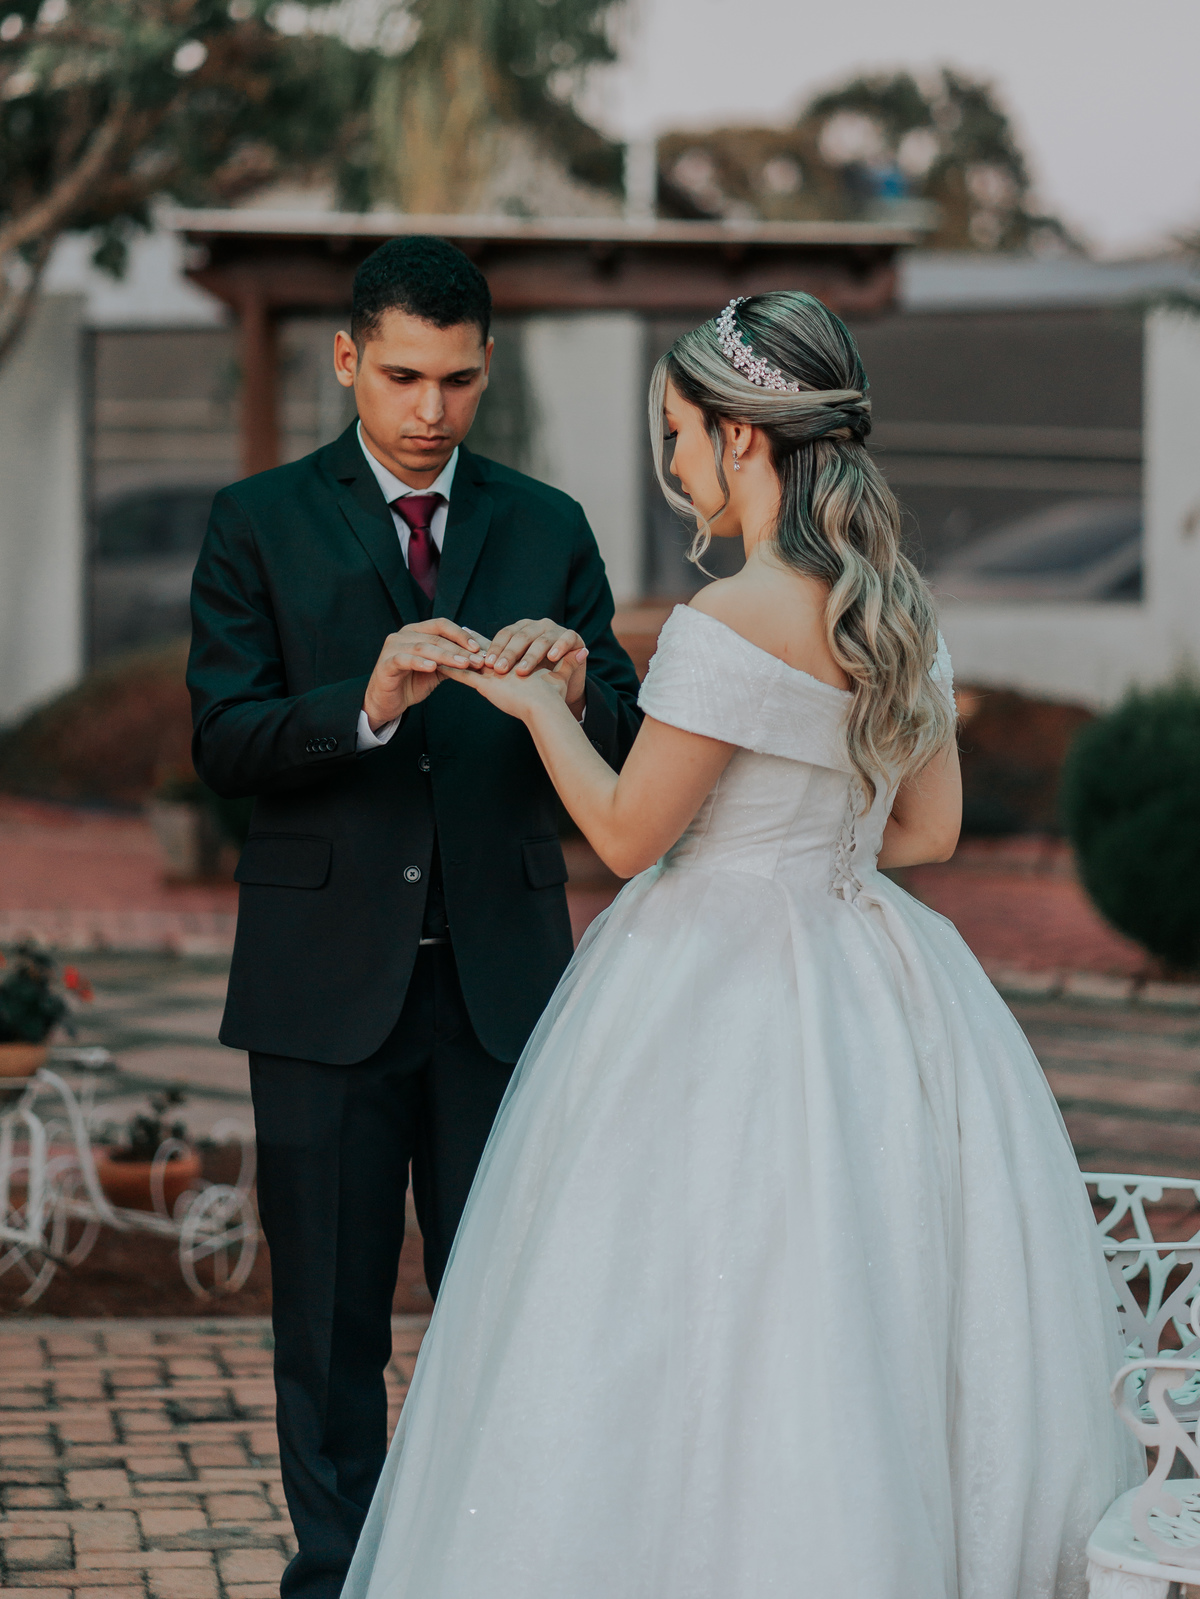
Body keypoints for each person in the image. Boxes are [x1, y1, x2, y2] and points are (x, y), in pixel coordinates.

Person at [340, 291, 1139, 1599]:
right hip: (877, 976)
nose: (672, 461)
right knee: (867, 1304)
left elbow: (626, 835)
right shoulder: (897, 609)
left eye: (677, 432)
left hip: (708, 977)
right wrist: (813, 834)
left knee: (681, 1308)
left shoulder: (724, 620)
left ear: (743, 435)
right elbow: (926, 831)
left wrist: (539, 708)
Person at [186, 235, 642, 1599]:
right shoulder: (257, 520)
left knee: (508, 1314)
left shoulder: (549, 524)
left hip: (505, 992)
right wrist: (371, 702)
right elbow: (224, 741)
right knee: (328, 1328)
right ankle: (337, 1581)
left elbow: (631, 738)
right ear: (347, 361)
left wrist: (579, 684)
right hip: (321, 990)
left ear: (487, 366)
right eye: (401, 377)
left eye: (456, 380)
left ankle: (493, 1570)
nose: (431, 409)